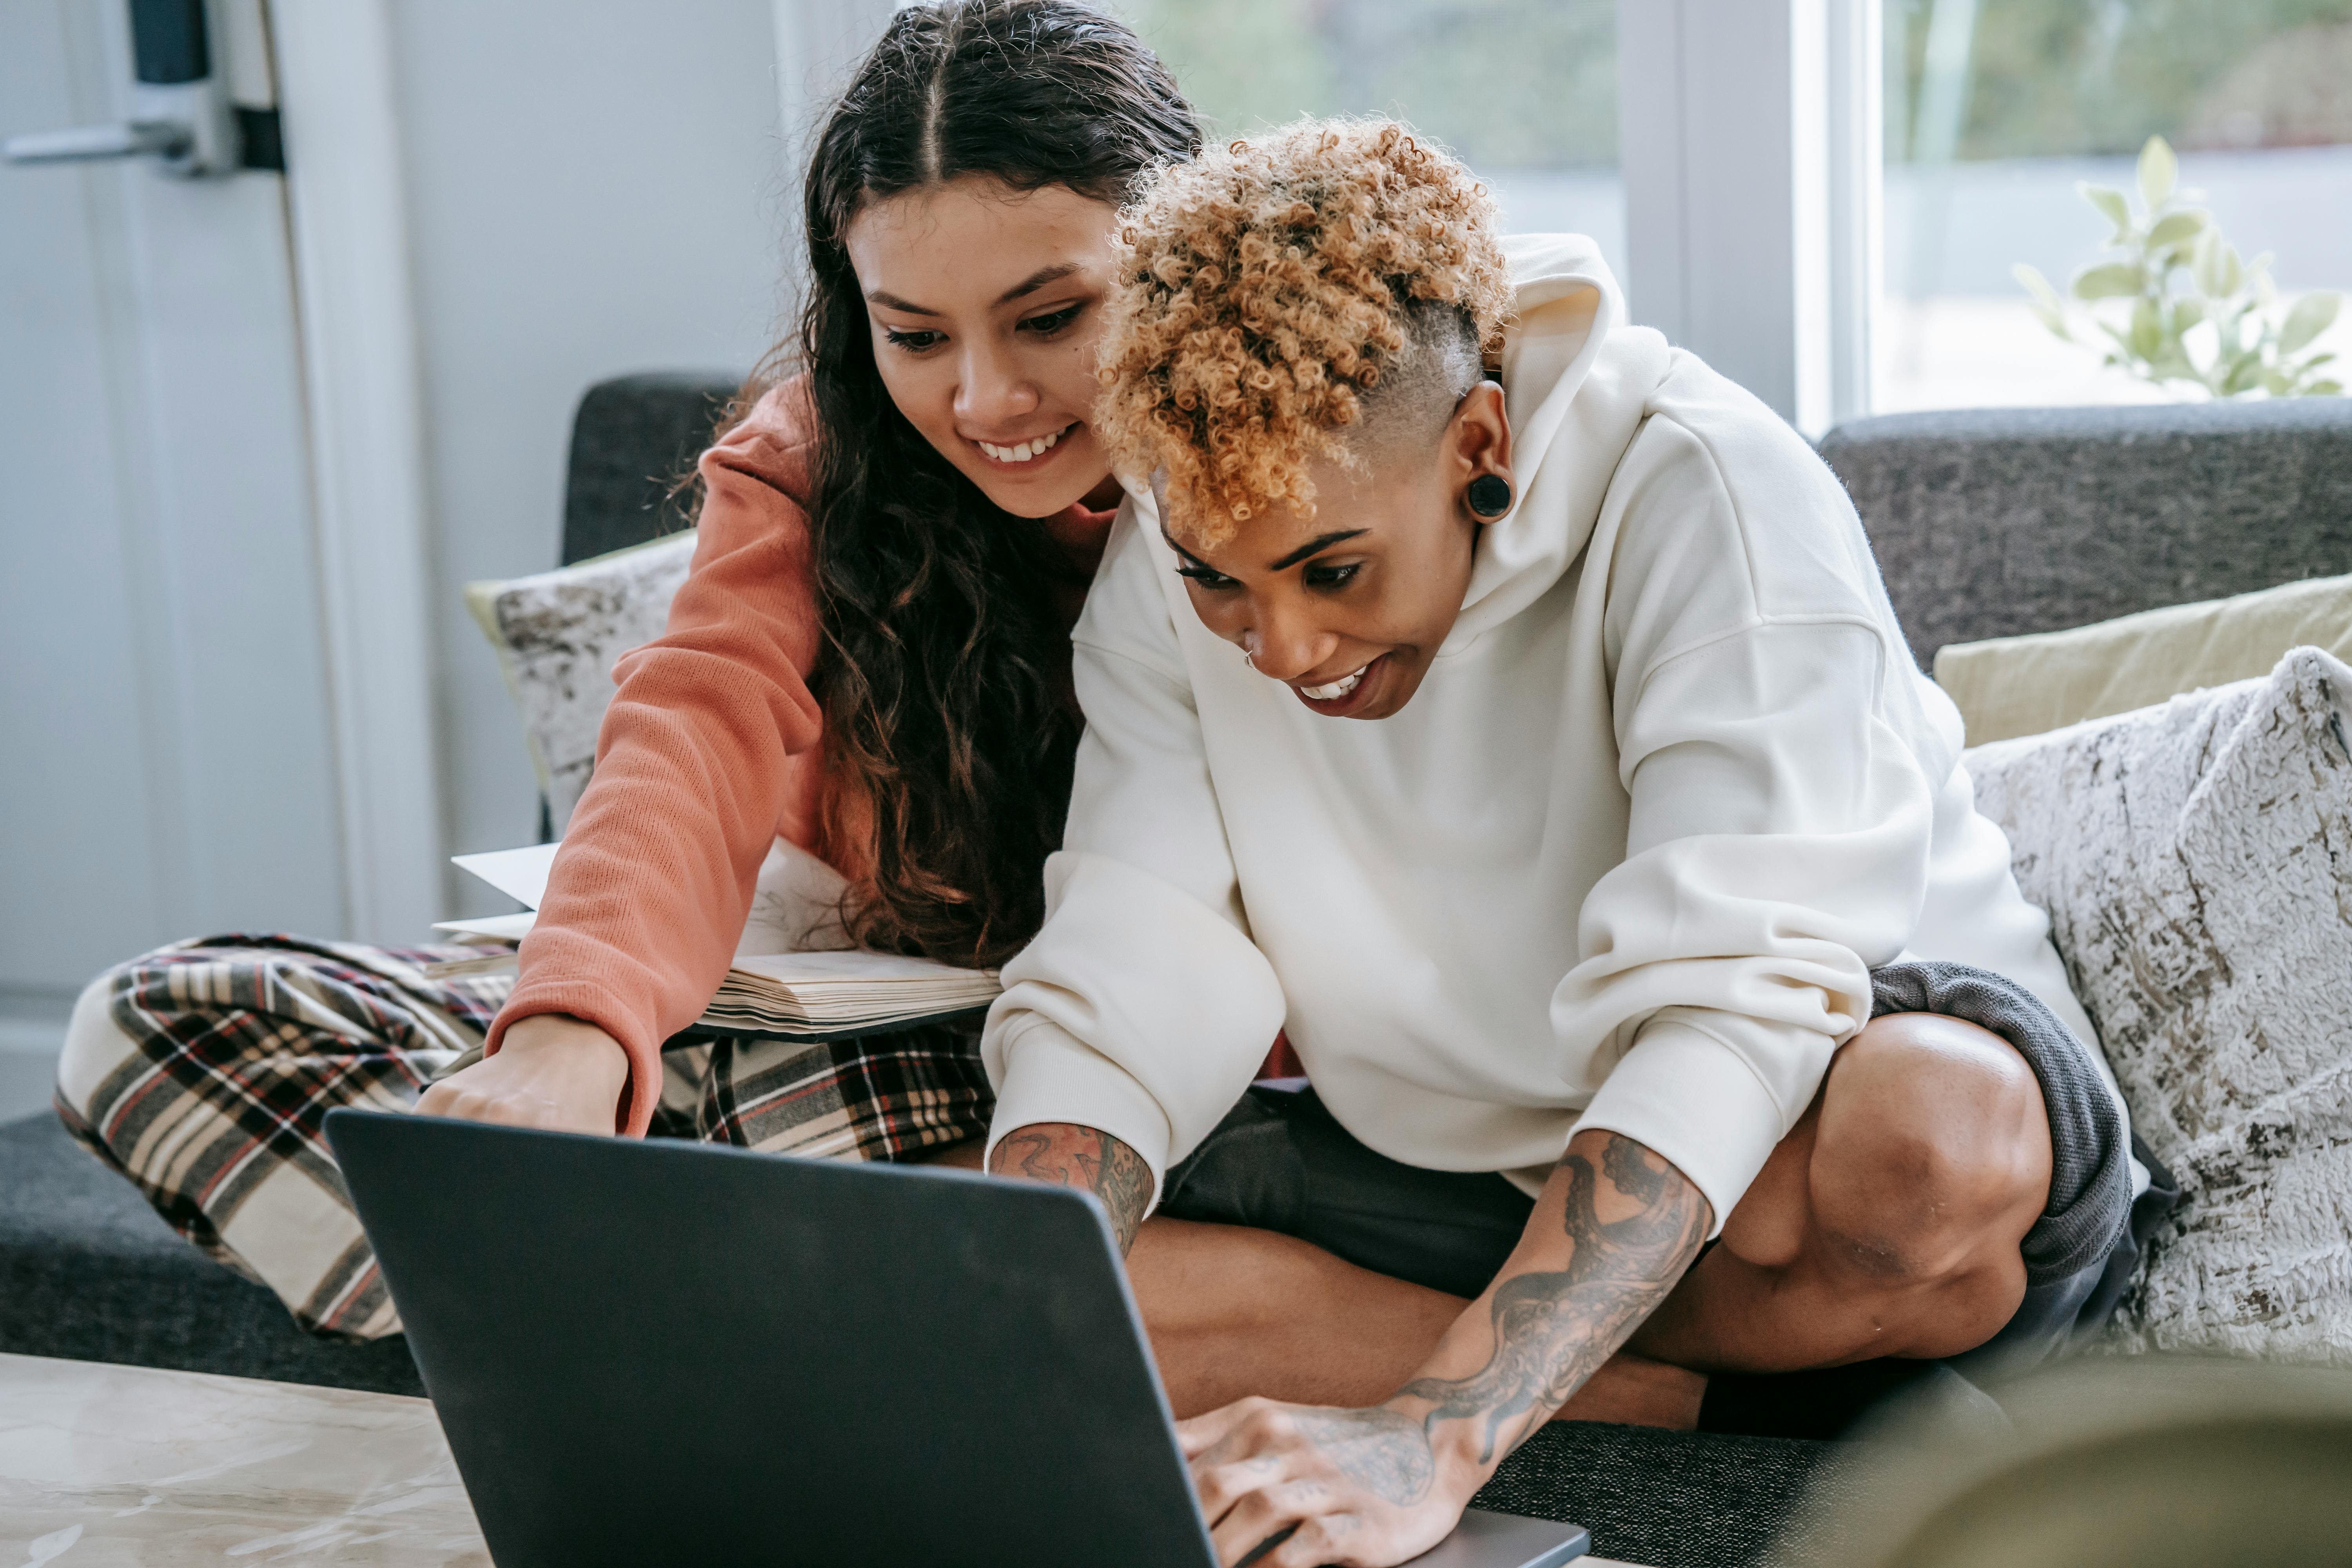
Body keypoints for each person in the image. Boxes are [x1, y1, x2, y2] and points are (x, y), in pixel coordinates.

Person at [977, 119, 2170, 1567]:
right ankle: (1705, 1401)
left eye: (1331, 570)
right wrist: (1009, 1303)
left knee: (1933, 1142)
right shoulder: (1170, 566)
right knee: (1005, 1279)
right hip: (1467, 1181)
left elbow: (1731, 1009)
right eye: (1220, 584)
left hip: (1822, 1134)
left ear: (1476, 442)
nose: (1280, 646)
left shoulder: (1706, 485)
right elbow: (1134, 951)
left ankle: (1515, 1368)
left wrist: (1433, 1437)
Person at [53, 0, 1203, 1341]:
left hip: (1033, 1056)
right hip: (792, 986)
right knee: (154, 1028)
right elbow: (694, 717)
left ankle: (625, 1308)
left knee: (767, 1119)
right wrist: (566, 1041)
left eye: (1050, 315)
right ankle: (691, 1303)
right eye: (916, 336)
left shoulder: (1281, 495)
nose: (986, 400)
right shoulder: (812, 458)